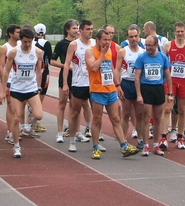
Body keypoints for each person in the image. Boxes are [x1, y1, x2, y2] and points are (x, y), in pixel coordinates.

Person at [85, 29, 140, 159]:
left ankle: (124, 146)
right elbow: (93, 67)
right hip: (97, 89)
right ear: (98, 40)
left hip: (110, 89)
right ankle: (96, 147)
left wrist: (117, 85)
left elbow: (110, 69)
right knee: (97, 119)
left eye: (109, 40)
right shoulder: (91, 51)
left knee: (116, 118)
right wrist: (102, 54)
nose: (108, 42)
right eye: (105, 39)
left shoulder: (109, 51)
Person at [0, 28, 43, 158]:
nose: (27, 44)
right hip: (17, 89)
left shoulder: (38, 52)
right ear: (21, 40)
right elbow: (6, 71)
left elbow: (39, 71)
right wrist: (4, 89)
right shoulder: (13, 52)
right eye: (25, 42)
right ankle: (17, 146)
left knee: (39, 115)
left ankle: (24, 129)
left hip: (31, 88)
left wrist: (39, 87)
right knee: (17, 117)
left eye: (30, 42)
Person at [161, 22, 185, 150]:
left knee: (183, 110)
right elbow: (162, 61)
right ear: (175, 32)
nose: (181, 33)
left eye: (182, 31)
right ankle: (163, 137)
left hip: (184, 82)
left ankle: (180, 137)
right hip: (171, 82)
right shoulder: (168, 45)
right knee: (167, 109)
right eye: (178, 31)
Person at [135, 35, 174, 156]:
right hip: (146, 88)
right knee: (146, 117)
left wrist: (170, 93)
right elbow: (137, 78)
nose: (148, 48)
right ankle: (146, 145)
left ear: (156, 45)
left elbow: (168, 76)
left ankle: (156, 145)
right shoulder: (141, 58)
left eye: (150, 45)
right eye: (146, 45)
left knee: (158, 118)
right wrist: (139, 95)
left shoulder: (163, 57)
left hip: (158, 89)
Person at [62, 20, 94, 152]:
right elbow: (66, 64)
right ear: (81, 31)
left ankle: (96, 142)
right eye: (88, 29)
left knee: (96, 112)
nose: (90, 31)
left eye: (92, 29)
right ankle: (72, 140)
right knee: (75, 112)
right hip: (78, 83)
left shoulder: (95, 44)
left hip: (93, 83)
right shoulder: (74, 45)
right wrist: (65, 83)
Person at [114, 24, 145, 149]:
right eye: (131, 36)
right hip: (126, 83)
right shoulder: (123, 51)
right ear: (127, 37)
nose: (133, 39)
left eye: (136, 36)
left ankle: (141, 139)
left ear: (139, 36)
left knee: (139, 114)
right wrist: (118, 85)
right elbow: (116, 69)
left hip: (139, 85)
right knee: (125, 113)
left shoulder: (143, 52)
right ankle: (123, 140)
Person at [50, 19, 79, 143]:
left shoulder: (79, 44)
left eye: (77, 28)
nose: (76, 30)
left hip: (78, 78)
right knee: (62, 103)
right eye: (74, 28)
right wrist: (65, 66)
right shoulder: (61, 44)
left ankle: (75, 131)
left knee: (76, 106)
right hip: (65, 76)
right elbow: (52, 60)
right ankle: (60, 132)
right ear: (67, 30)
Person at [23, 23, 52, 134]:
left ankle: (28, 123)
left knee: (28, 99)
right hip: (43, 73)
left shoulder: (28, 44)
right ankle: (33, 123)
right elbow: (49, 60)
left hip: (31, 72)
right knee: (38, 99)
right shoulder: (46, 43)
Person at [0, 24, 21, 144]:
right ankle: (10, 131)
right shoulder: (5, 48)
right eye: (17, 32)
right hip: (10, 80)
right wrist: (4, 84)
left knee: (19, 108)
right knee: (11, 106)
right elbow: (1, 67)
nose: (19, 34)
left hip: (21, 81)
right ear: (11, 34)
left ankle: (16, 129)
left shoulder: (23, 46)